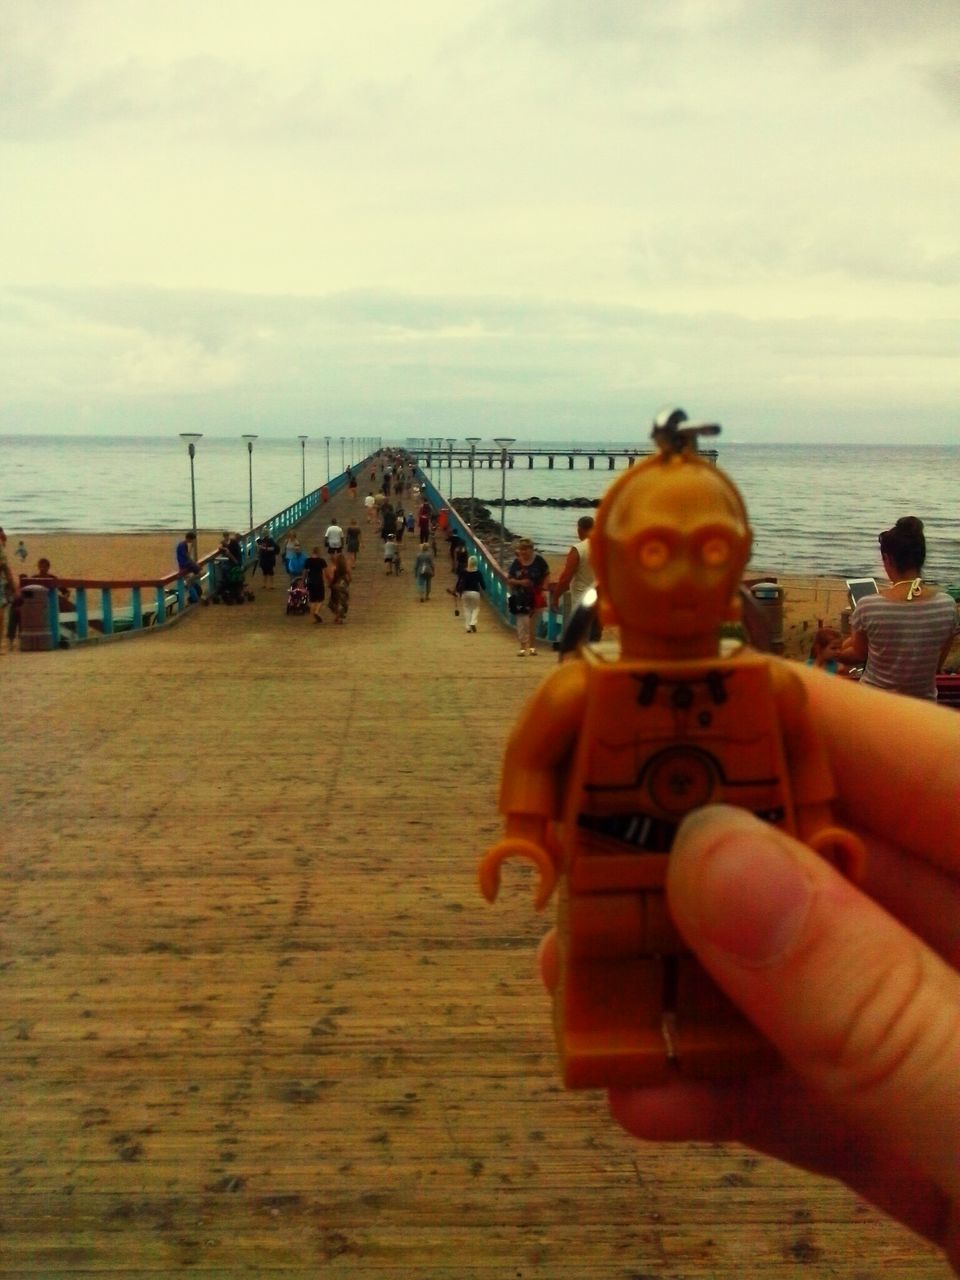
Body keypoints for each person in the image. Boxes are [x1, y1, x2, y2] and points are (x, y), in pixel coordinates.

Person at [536, 670, 960, 1274]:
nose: (684, 577)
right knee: (609, 957)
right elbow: (535, 758)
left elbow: (808, 759)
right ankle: (606, 1036)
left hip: (724, 834)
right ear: (611, 567)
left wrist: (816, 825)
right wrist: (526, 831)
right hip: (614, 847)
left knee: (713, 981)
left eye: (709, 564)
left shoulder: (765, 688)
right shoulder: (586, 687)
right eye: (654, 564)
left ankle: (719, 1034)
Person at [839, 516, 957, 700]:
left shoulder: (869, 606)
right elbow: (935, 665)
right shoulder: (947, 605)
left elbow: (858, 654)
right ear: (921, 557)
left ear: (887, 559)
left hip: (876, 705)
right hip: (922, 708)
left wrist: (832, 653)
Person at [550, 516, 601, 643]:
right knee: (594, 638)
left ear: (579, 529)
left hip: (582, 601)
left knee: (581, 639)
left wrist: (555, 597)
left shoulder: (578, 549)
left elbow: (566, 578)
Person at [507, 538, 550, 657]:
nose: (523, 552)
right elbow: (509, 579)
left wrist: (545, 589)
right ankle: (522, 646)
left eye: (525, 549)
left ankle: (532, 647)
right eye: (521, 549)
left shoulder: (539, 561)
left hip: (535, 594)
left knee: (532, 622)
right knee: (522, 622)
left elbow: (546, 574)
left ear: (531, 549)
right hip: (520, 596)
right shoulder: (516, 563)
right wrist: (520, 582)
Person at [455, 555, 485, 633]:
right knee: (476, 608)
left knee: (467, 609)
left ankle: (468, 627)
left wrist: (457, 592)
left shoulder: (463, 572)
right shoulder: (478, 572)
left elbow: (458, 583)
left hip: (465, 593)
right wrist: (484, 588)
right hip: (475, 593)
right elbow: (483, 585)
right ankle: (473, 622)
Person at [303, 546, 328, 622]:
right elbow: (324, 572)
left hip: (311, 581)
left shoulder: (308, 561)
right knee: (320, 599)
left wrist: (303, 581)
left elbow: (305, 572)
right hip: (319, 581)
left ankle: (313, 614)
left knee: (312, 600)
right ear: (319, 552)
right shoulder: (322, 561)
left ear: (312, 552)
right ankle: (317, 611)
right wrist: (325, 581)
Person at [327, 552, 351, 623]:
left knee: (335, 601)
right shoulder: (346, 567)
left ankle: (338, 617)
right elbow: (350, 577)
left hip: (336, 585)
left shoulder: (334, 568)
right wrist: (347, 583)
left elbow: (332, 578)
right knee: (342, 602)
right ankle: (339, 617)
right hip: (344, 586)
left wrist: (330, 584)